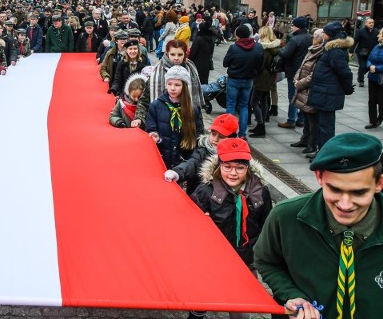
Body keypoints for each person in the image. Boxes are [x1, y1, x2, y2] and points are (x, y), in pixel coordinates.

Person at [254, 133, 383, 319]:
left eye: (358, 192)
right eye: (334, 189)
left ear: (379, 183)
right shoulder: (285, 218)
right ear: (319, 177)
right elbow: (266, 261)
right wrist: (291, 294)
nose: (345, 204)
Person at [189, 137, 272, 319]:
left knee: (241, 309)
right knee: (200, 301)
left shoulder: (260, 192)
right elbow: (187, 223)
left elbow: (266, 225)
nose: (233, 173)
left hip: (245, 259)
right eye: (228, 167)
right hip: (213, 259)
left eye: (240, 168)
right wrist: (199, 221)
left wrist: (261, 255)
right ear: (219, 167)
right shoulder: (206, 192)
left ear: (248, 168)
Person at [307, 21, 354, 155]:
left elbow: (345, 72)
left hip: (328, 93)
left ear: (330, 35)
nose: (322, 34)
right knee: (322, 124)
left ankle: (326, 153)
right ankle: (322, 151)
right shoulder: (331, 49)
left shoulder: (335, 51)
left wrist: (348, 88)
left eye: (324, 32)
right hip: (324, 92)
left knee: (326, 126)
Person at [133, 39, 204, 128]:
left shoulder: (191, 69)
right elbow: (145, 99)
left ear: (185, 54)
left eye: (180, 54)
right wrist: (139, 118)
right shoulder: (157, 72)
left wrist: (200, 129)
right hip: (161, 121)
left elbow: (196, 103)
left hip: (186, 122)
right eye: (172, 54)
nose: (176, 58)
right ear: (167, 54)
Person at [164, 113, 239, 195]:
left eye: (221, 137)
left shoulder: (238, 157)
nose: (215, 139)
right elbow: (192, 163)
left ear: (232, 138)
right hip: (198, 197)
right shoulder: (203, 150)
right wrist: (177, 172)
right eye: (213, 134)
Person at [145, 65, 204, 169]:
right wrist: (156, 137)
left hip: (183, 161)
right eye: (169, 84)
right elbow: (151, 128)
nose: (172, 88)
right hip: (162, 157)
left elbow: (198, 134)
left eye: (177, 85)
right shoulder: (156, 106)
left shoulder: (193, 109)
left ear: (184, 86)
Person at [223, 24, 265, 139]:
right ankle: (242, 134)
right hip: (248, 79)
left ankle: (230, 132)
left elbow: (225, 63)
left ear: (238, 35)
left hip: (234, 79)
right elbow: (261, 64)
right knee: (244, 106)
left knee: (231, 105)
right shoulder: (258, 47)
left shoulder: (234, 48)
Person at [291, 28, 325, 156]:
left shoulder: (320, 53)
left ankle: (312, 144)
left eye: (314, 37)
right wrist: (296, 79)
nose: (312, 39)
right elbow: (301, 67)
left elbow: (313, 74)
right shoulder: (311, 50)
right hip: (302, 87)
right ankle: (305, 139)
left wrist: (299, 83)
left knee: (312, 119)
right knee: (305, 116)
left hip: (309, 89)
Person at [277, 17, 311, 129]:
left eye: (293, 25)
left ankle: (291, 119)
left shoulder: (295, 39)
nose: (291, 27)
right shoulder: (308, 37)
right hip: (305, 71)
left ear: (297, 26)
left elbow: (286, 54)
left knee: (292, 96)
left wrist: (279, 50)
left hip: (293, 71)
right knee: (302, 95)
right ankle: (301, 119)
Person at [249, 26, 281, 138]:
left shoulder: (263, 48)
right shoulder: (275, 47)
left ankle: (261, 125)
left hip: (262, 76)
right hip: (271, 76)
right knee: (264, 101)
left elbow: (260, 65)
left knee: (254, 102)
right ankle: (260, 124)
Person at [352, 18, 379, 87]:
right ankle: (361, 81)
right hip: (362, 52)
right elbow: (355, 41)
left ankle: (360, 74)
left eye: (372, 22)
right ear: (366, 23)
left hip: (371, 53)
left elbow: (378, 42)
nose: (371, 24)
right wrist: (351, 51)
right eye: (369, 23)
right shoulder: (361, 31)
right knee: (362, 66)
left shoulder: (376, 31)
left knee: (368, 67)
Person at [188, 17, 216, 85]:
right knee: (204, 82)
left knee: (196, 82)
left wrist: (189, 61)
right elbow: (211, 52)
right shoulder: (212, 39)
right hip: (206, 63)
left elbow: (193, 53)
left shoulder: (198, 39)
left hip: (197, 64)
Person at [365, 28, 383, 128]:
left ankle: (381, 117)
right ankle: (373, 121)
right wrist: (369, 66)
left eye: (380, 34)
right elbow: (369, 58)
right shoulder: (376, 47)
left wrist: (376, 68)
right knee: (371, 100)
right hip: (372, 77)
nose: (377, 35)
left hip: (381, 78)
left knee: (381, 100)